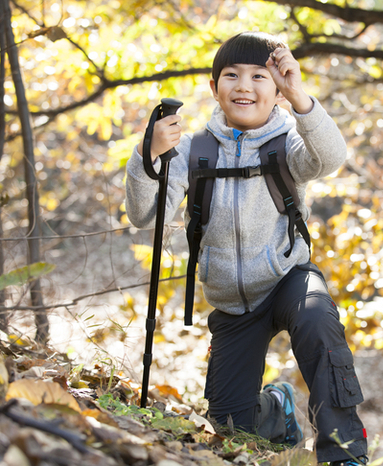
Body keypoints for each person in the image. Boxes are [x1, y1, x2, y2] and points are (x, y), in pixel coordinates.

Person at [125, 32, 368, 465]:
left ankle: (344, 453)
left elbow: (331, 157)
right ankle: (278, 408)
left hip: (288, 279)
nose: (244, 85)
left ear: (276, 90)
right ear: (214, 86)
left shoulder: (289, 144)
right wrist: (149, 155)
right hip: (233, 304)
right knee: (230, 426)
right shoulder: (193, 151)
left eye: (260, 76)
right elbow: (146, 215)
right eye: (232, 75)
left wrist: (301, 97)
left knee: (317, 318)